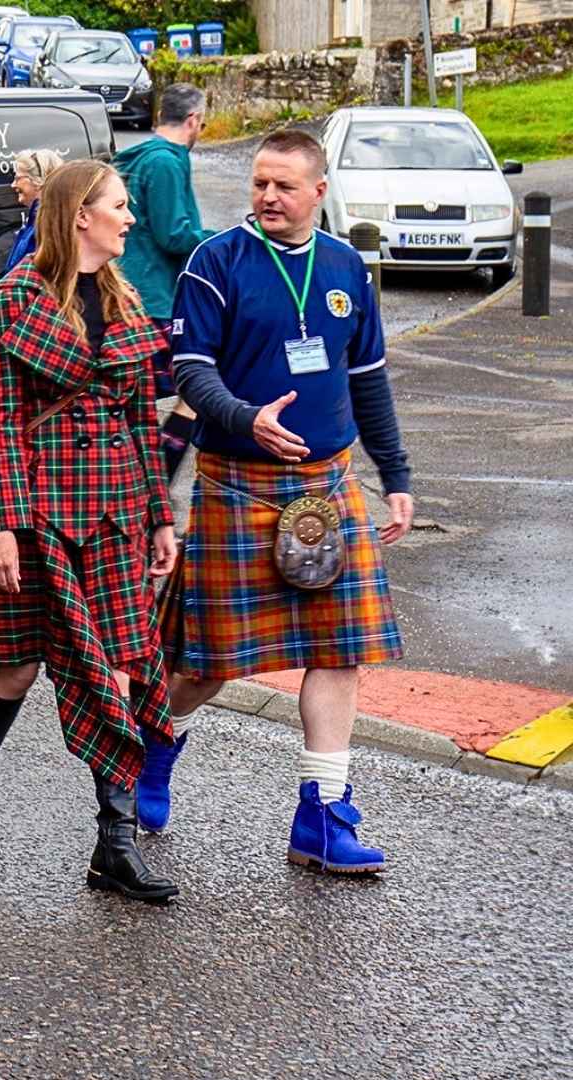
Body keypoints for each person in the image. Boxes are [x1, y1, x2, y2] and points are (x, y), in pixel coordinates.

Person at [163, 129, 412, 872]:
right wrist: (247, 419)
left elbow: (367, 379)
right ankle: (156, 744)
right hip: (238, 482)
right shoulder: (215, 263)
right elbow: (191, 372)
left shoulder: (344, 266)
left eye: (284, 186)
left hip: (328, 485)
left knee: (341, 652)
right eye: (260, 183)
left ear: (318, 192)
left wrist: (396, 476)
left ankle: (322, 816)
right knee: (207, 664)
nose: (268, 196)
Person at [0, 157, 181, 904]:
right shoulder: (12, 301)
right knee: (14, 667)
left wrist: (159, 516)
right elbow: (0, 424)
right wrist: (2, 528)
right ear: (81, 215)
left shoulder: (125, 300)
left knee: (121, 666)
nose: (130, 217)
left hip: (113, 513)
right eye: (119, 205)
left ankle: (114, 845)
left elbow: (142, 422)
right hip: (38, 512)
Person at [114, 83, 210, 470]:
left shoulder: (140, 156)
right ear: (194, 120)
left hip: (134, 294)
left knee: (134, 402)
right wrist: (223, 239)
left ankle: (139, 482)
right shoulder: (166, 163)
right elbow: (174, 235)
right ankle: (153, 480)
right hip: (155, 300)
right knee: (196, 388)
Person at [3, 147, 64, 275]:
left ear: (39, 180)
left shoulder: (49, 224)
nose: (13, 185)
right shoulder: (37, 220)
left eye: (17, 178)